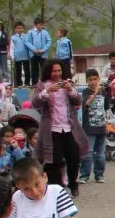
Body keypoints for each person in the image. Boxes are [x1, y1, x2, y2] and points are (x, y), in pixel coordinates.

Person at [34, 63, 87, 196]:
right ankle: (56, 188)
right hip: (52, 128)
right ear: (48, 72)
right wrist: (47, 91)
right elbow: (35, 103)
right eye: (54, 71)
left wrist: (70, 90)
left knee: (74, 156)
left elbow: (78, 101)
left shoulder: (67, 83)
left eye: (59, 70)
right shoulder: (42, 85)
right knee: (54, 159)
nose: (57, 73)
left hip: (69, 127)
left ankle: (73, 183)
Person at [76, 69, 109, 184]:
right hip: (89, 128)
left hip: (101, 126)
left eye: (95, 79)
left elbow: (106, 109)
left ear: (98, 79)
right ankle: (84, 175)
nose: (93, 82)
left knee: (100, 154)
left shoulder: (104, 92)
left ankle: (99, 175)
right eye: (90, 80)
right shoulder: (85, 91)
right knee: (88, 153)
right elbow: (87, 104)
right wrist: (96, 92)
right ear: (87, 81)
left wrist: (107, 124)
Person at [26, 18, 51, 86]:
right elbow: (27, 42)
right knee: (34, 69)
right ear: (35, 25)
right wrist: (34, 49)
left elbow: (49, 41)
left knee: (44, 68)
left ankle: (45, 82)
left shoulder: (45, 32)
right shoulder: (30, 32)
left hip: (43, 54)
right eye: (40, 25)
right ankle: (35, 84)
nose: (41, 26)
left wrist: (43, 50)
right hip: (33, 54)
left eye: (42, 25)